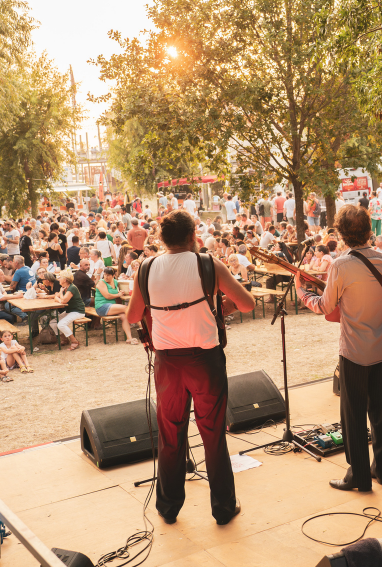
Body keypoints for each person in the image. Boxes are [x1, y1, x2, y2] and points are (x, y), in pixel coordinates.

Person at [127, 209, 254, 525]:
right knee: (212, 435)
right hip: (205, 361)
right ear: (191, 237)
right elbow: (248, 304)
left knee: (171, 436)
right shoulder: (209, 264)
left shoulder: (146, 268)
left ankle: (168, 508)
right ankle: (223, 508)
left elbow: (132, 316)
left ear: (162, 239)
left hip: (168, 364)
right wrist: (217, 303)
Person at [297, 204, 382, 490]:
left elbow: (325, 306)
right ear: (369, 230)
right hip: (381, 350)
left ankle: (359, 477)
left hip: (354, 352)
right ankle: (380, 470)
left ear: (342, 234)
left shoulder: (341, 265)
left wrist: (303, 294)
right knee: (378, 412)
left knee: (353, 416)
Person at [50, 270, 86, 351]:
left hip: (78, 311)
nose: (58, 279)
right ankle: (65, 339)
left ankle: (74, 341)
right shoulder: (63, 288)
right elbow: (56, 296)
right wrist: (60, 296)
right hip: (70, 311)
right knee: (53, 322)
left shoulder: (71, 288)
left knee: (61, 324)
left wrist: (60, 295)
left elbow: (63, 300)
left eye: (60, 277)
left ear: (65, 279)